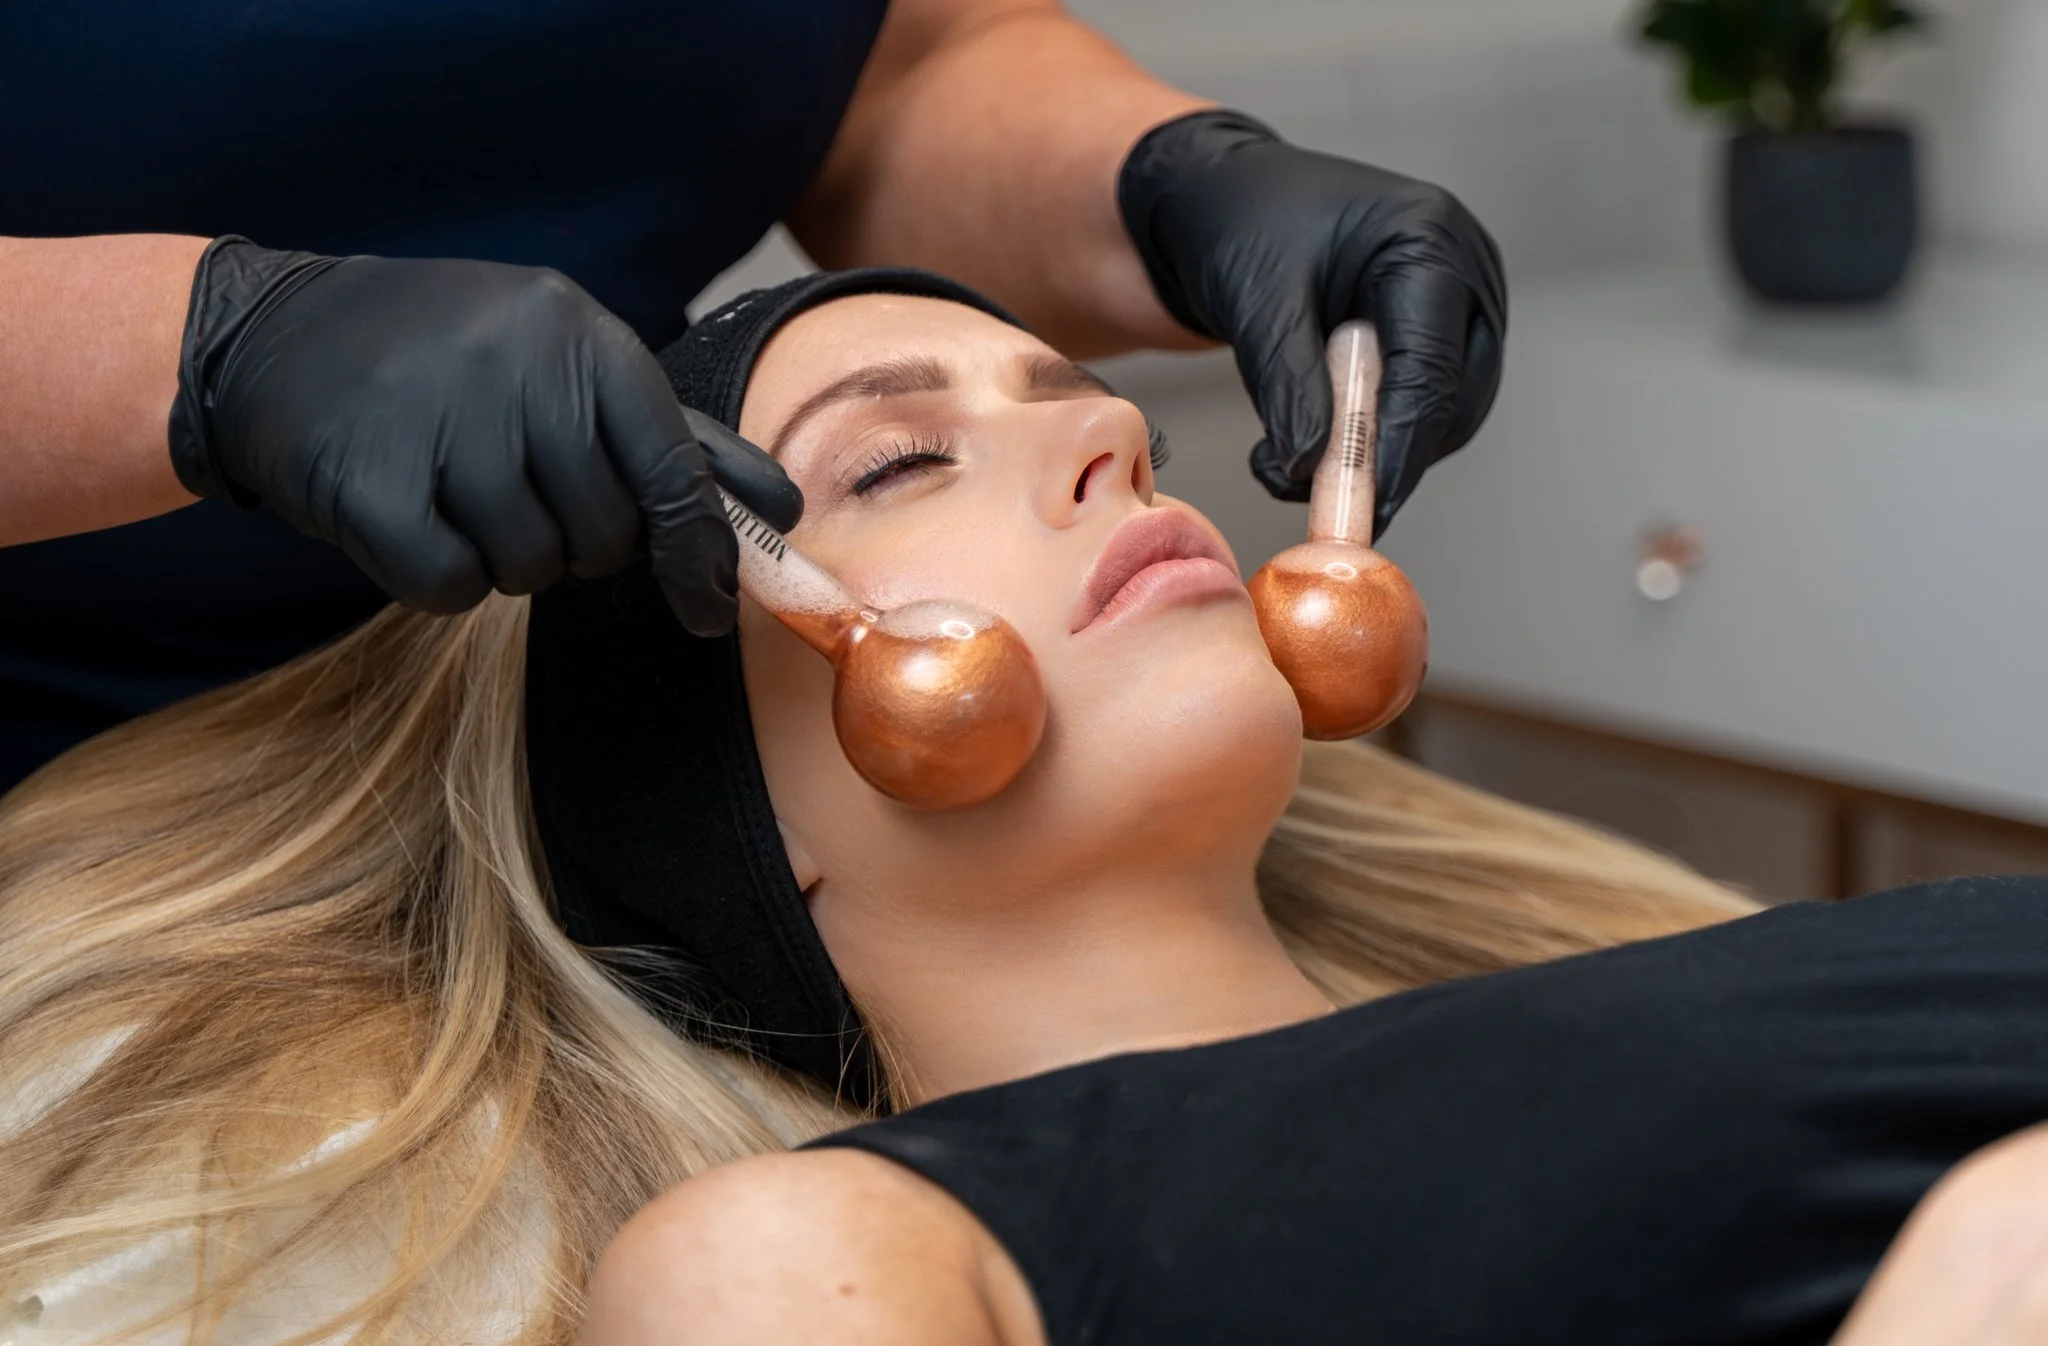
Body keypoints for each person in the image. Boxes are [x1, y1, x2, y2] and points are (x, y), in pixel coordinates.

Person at [0, 270, 2035, 1346]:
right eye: (891, 465)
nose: (1109, 428)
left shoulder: (1716, 979)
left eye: (1076, 393)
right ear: (727, 823)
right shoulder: (814, 1258)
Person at [0, 0, 1507, 794]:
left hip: (570, 701)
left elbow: (902, 62)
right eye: (898, 460)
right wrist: (203, 352)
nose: (1114, 431)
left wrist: (1172, 178)